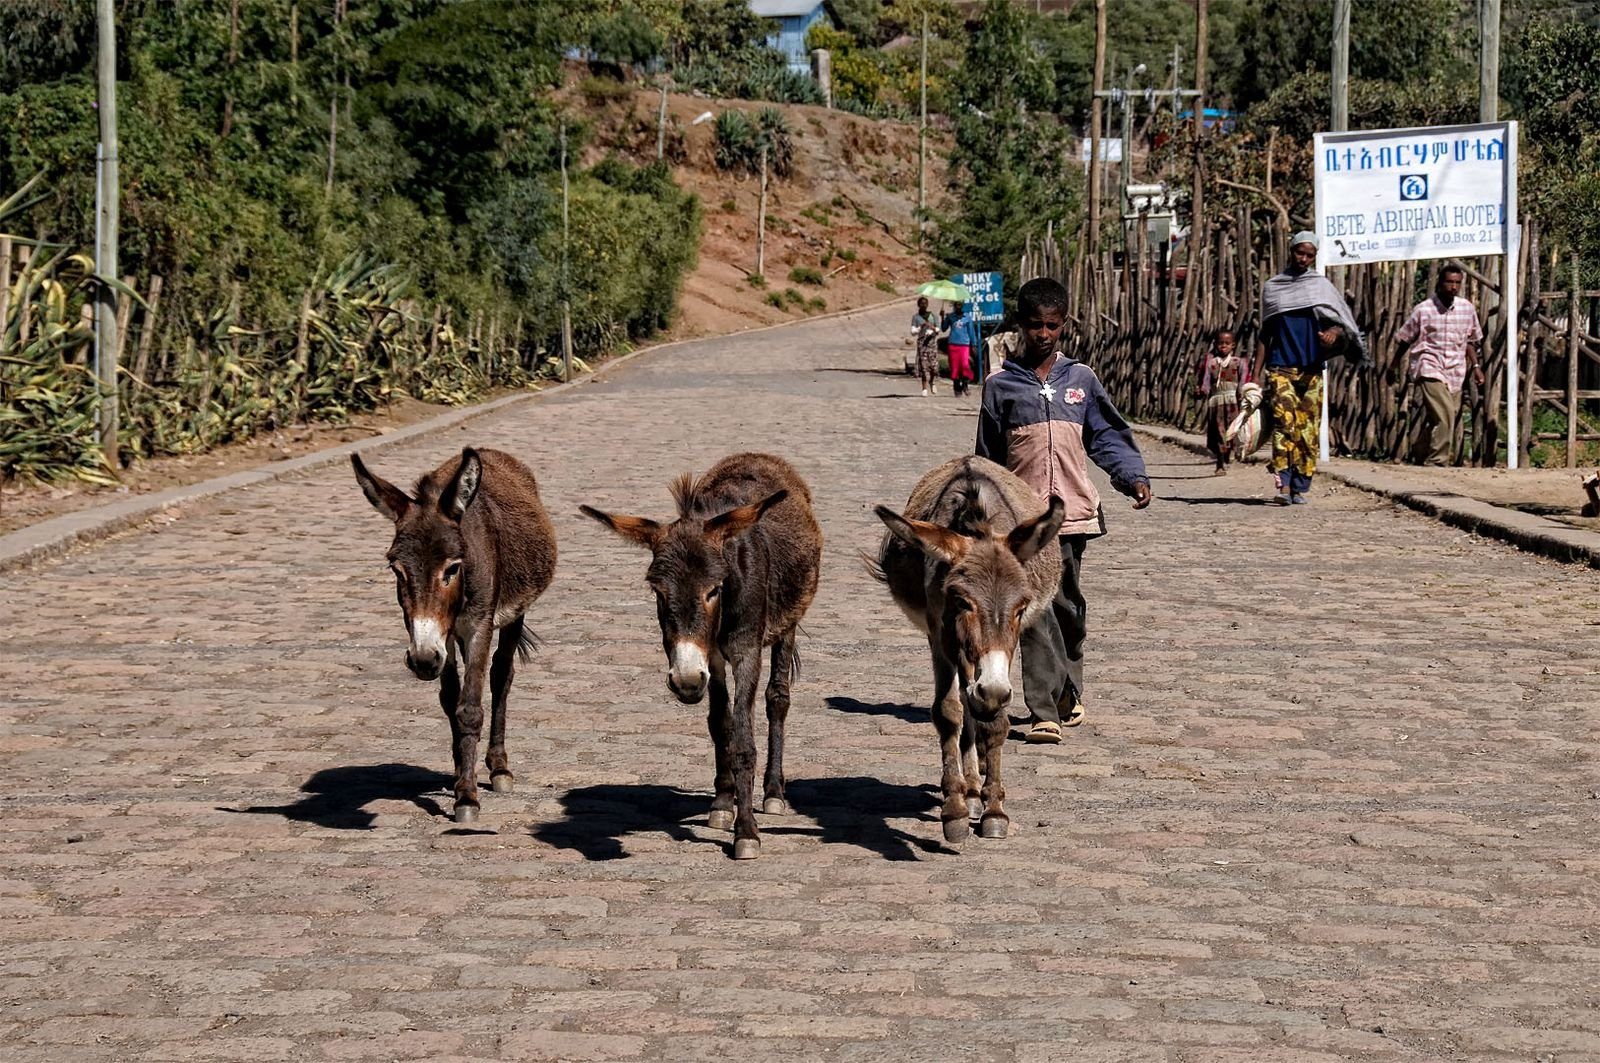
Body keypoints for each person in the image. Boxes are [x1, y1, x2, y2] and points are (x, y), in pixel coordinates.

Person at [976, 277, 1152, 744]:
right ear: (1021, 324)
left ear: (1064, 324)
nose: (1043, 334)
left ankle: (1069, 687)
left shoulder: (1081, 380)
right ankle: (1043, 709)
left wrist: (1131, 476)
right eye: (1035, 325)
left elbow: (1107, 435)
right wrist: (984, 516)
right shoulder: (999, 385)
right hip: (1022, 525)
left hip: (1073, 515)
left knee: (1068, 607)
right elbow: (988, 459)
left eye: (1052, 326)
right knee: (1033, 611)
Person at [1249, 232, 1367, 505]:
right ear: (1291, 251)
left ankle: (1300, 485)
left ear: (1314, 257)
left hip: (1311, 369)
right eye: (1299, 253)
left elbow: (1340, 321)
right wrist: (1255, 375)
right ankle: (1283, 484)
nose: (1303, 259)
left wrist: (1334, 332)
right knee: (1284, 425)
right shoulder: (1274, 288)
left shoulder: (1320, 287)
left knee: (1308, 430)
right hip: (1280, 366)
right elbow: (1265, 335)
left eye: (1309, 255)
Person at [1394, 263, 1483, 466]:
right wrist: (1393, 365)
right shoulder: (1423, 310)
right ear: (1440, 283)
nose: (1453, 287)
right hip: (1429, 365)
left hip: (1455, 369)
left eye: (1457, 283)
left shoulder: (1467, 309)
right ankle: (1437, 460)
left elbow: (1470, 341)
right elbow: (1405, 339)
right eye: (1449, 282)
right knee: (1446, 413)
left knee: (1441, 418)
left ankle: (1419, 452)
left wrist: (1476, 367)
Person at [1195, 329, 1249, 474]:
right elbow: (1205, 380)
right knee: (1219, 432)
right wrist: (1202, 390)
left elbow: (1243, 380)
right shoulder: (1211, 363)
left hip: (1233, 403)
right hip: (1217, 403)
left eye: (1227, 343)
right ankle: (1219, 462)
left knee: (1232, 430)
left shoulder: (1238, 362)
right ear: (1216, 344)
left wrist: (1242, 394)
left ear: (1233, 345)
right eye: (1220, 343)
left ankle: (1227, 454)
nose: (1223, 346)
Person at [942, 301, 979, 396]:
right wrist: (942, 317)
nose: (958, 306)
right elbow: (943, 328)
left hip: (964, 344)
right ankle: (956, 387)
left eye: (960, 305)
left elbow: (971, 331)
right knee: (954, 367)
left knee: (964, 365)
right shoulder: (950, 316)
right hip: (953, 344)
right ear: (954, 306)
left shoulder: (967, 317)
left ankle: (965, 385)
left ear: (962, 306)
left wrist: (973, 344)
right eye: (957, 305)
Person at [911, 296, 940, 397]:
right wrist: (920, 328)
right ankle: (924, 387)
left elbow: (938, 329)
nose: (923, 305)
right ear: (918, 305)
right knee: (924, 366)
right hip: (922, 343)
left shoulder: (933, 316)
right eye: (921, 303)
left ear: (927, 304)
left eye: (925, 303)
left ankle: (932, 381)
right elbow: (913, 332)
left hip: (932, 343)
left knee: (934, 366)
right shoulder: (916, 317)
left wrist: (933, 329)